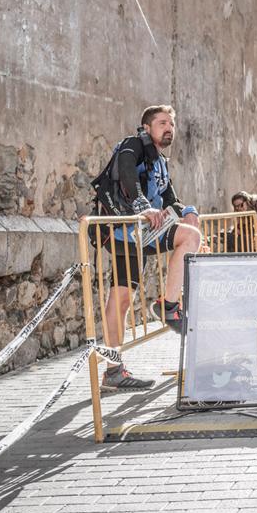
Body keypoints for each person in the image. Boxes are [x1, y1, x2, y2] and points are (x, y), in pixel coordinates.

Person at [89, 105, 202, 389]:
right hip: (123, 230)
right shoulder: (133, 145)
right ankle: (168, 306)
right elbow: (126, 173)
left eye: (172, 124)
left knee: (123, 298)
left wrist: (188, 210)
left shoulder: (160, 161)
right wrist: (143, 206)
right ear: (147, 127)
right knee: (121, 299)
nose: (169, 129)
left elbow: (169, 196)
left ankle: (113, 372)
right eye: (163, 123)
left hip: (140, 233)